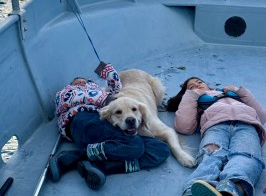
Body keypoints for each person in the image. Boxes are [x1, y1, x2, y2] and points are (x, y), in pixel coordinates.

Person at [49, 61, 170, 189]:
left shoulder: (98, 90)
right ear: (71, 85)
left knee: (160, 149)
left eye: (84, 81)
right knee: (136, 145)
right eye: (77, 82)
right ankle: (72, 157)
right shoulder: (66, 93)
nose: (81, 83)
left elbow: (115, 90)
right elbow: (77, 98)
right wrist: (104, 98)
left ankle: (103, 167)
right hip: (81, 119)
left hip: (104, 123)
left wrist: (106, 70)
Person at [167, 77, 266, 196]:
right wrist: (191, 96)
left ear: (208, 85)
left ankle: (231, 189)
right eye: (192, 87)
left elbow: (261, 116)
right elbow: (184, 126)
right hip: (215, 126)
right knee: (211, 156)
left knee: (246, 156)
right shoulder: (195, 100)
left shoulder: (232, 95)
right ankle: (194, 189)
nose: (197, 86)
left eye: (199, 82)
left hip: (247, 126)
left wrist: (239, 91)